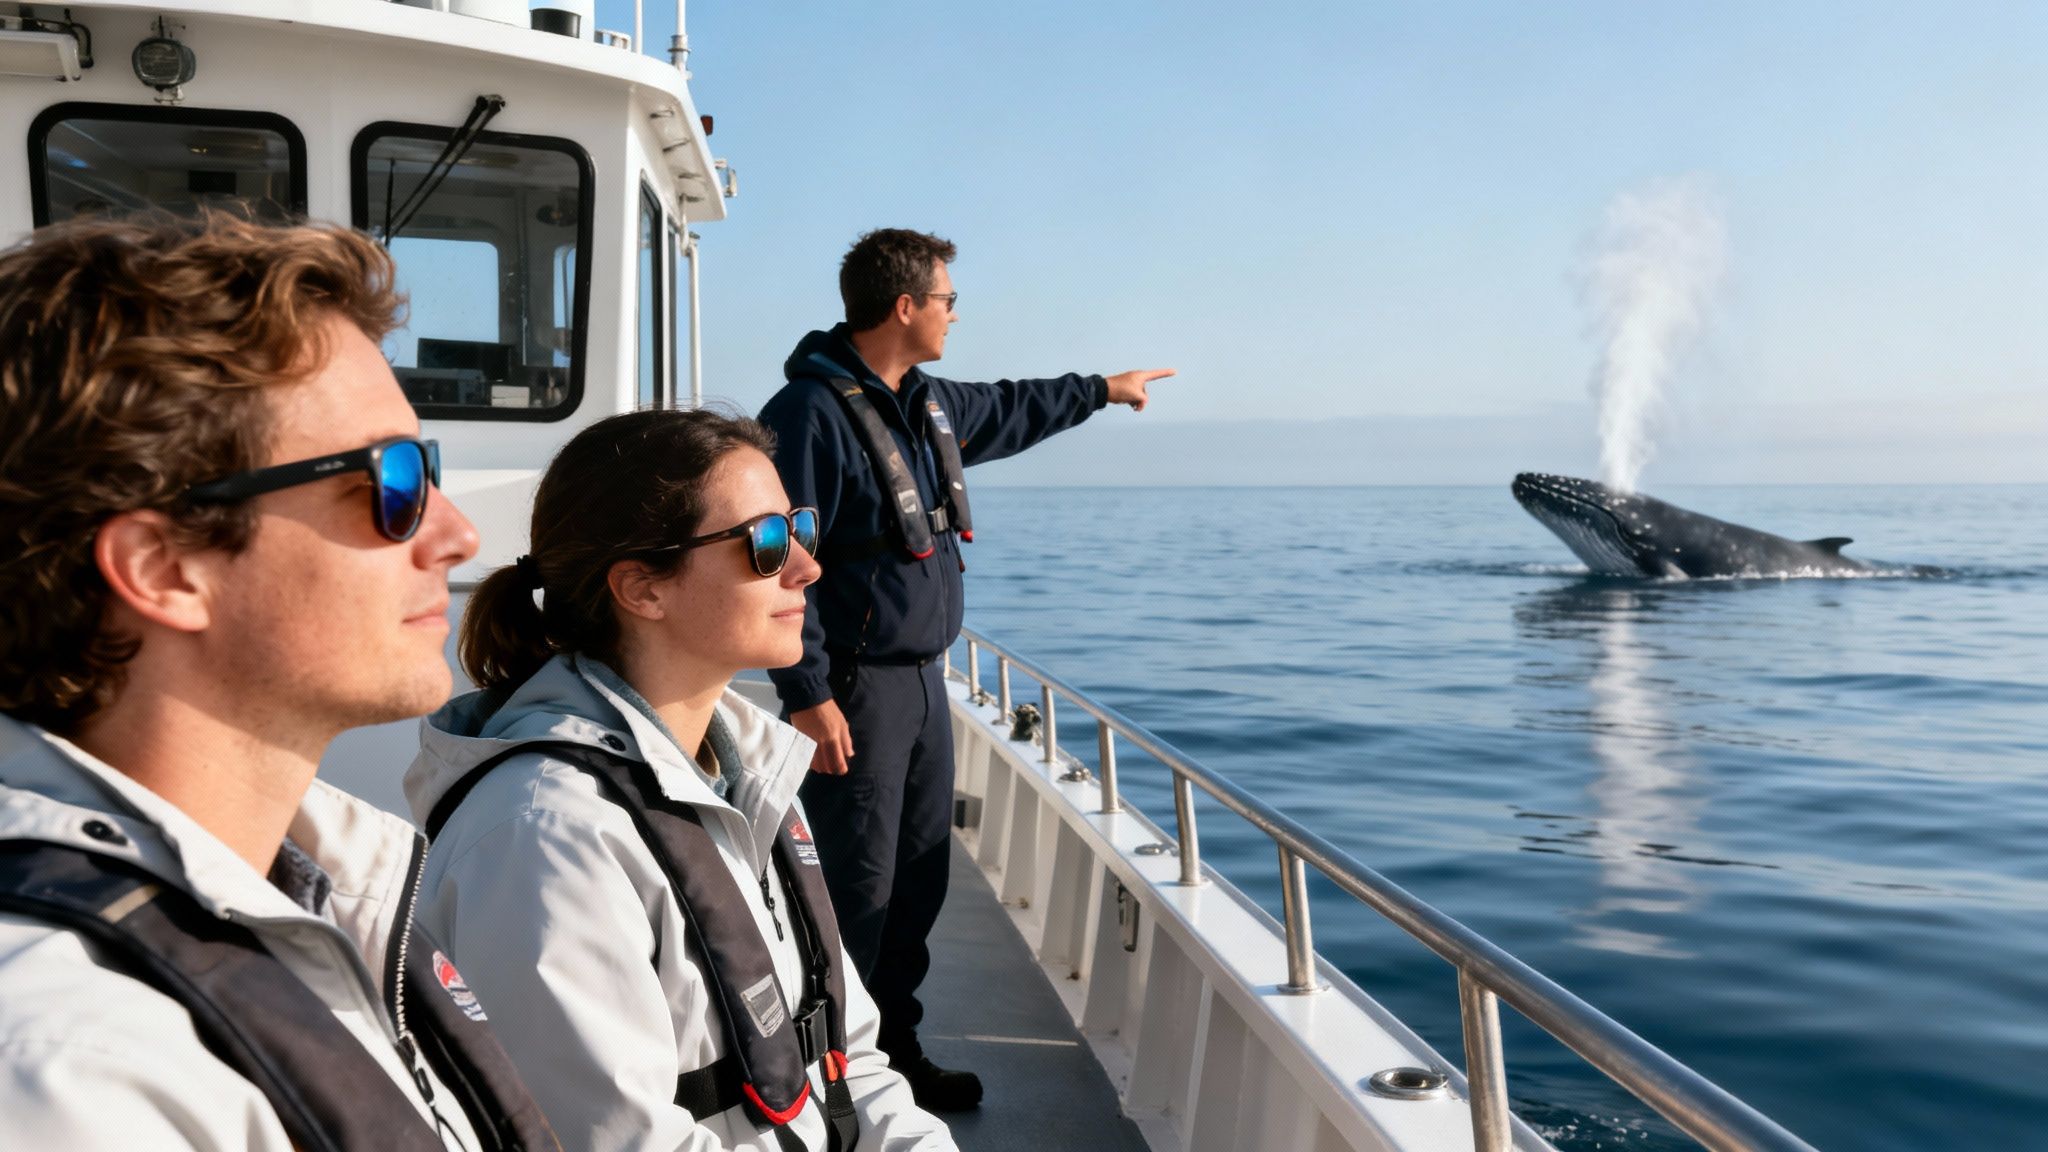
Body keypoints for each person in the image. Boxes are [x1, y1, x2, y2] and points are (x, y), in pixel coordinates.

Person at [0, 212, 556, 1150]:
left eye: (429, 468)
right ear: (166, 568)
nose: (458, 536)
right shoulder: (72, 1072)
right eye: (391, 481)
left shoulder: (329, 891)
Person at [404, 408, 956, 1152]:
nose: (807, 565)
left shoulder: (750, 776)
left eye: (800, 528)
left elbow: (850, 1062)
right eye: (764, 544)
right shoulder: (544, 834)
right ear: (643, 588)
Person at [757, 228, 1173, 1108]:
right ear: (905, 307)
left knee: (919, 874)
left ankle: (892, 1051)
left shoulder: (928, 401)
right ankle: (833, 1077)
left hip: (922, 685)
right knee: (855, 887)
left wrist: (1102, 390)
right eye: (947, 300)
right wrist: (810, 694)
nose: (954, 315)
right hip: (857, 690)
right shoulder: (807, 417)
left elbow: (1017, 405)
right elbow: (782, 564)